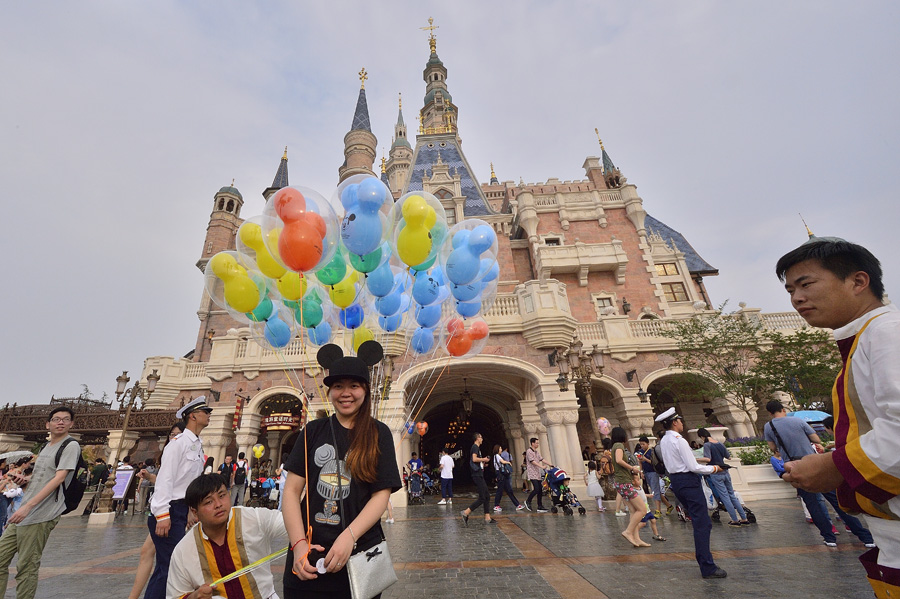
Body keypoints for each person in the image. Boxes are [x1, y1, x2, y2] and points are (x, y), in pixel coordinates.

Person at [282, 342, 401, 599]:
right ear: (330, 391)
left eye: (354, 386)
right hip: (308, 558)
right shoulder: (313, 431)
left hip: (360, 554)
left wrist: (350, 537)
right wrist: (298, 544)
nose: (345, 393)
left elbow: (381, 495)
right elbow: (291, 492)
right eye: (338, 386)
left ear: (366, 390)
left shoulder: (379, 433)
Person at [763, 400, 874, 548]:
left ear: (770, 413)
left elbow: (772, 447)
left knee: (813, 504)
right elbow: (816, 439)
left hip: (795, 467)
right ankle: (865, 537)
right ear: (783, 409)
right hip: (814, 463)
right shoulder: (797, 421)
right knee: (837, 501)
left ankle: (829, 538)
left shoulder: (768, 426)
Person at [0, 406, 80, 599]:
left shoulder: (70, 445)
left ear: (71, 423)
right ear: (48, 424)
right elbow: (41, 477)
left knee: (26, 566)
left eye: (65, 419)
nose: (60, 422)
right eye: (56, 419)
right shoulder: (47, 446)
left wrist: (28, 506)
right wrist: (25, 481)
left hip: (40, 514)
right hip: (23, 513)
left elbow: (59, 478)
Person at [166, 473, 287, 599]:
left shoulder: (253, 519)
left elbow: (293, 524)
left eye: (222, 495)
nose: (218, 504)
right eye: (209, 501)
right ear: (195, 512)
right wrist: (195, 596)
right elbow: (175, 595)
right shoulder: (184, 550)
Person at [145, 397, 213, 599]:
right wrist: (163, 514)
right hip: (169, 510)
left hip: (181, 510)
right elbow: (165, 480)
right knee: (171, 568)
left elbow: (190, 482)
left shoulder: (196, 444)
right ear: (193, 415)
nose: (209, 415)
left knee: (166, 567)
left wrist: (193, 510)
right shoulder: (178, 444)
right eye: (205, 411)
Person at [656, 408, 727, 579]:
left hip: (677, 482)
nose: (682, 423)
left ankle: (705, 561)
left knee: (698, 521)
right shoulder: (679, 440)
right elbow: (693, 467)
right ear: (674, 422)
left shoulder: (665, 440)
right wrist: (715, 468)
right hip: (688, 481)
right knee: (702, 524)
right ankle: (707, 566)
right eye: (679, 420)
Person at [128, 421, 185, 599]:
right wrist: (149, 476)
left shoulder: (187, 453)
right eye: (172, 434)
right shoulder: (168, 453)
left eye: (178, 434)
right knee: (148, 552)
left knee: (167, 562)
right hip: (162, 510)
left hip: (173, 510)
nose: (174, 437)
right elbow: (164, 482)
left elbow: (180, 486)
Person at [698, 428, 749, 527]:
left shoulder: (707, 445)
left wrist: (696, 459)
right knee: (732, 495)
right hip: (725, 471)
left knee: (725, 497)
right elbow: (728, 457)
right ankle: (744, 518)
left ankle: (734, 520)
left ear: (702, 437)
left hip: (716, 472)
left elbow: (708, 459)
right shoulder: (720, 443)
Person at [610, 427, 650, 547]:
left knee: (633, 510)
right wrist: (632, 468)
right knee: (642, 509)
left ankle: (636, 538)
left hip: (621, 482)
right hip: (624, 482)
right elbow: (618, 460)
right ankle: (628, 532)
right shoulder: (619, 446)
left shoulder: (614, 446)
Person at [461, 433, 495, 525]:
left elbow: (476, 461)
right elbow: (474, 459)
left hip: (479, 473)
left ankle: (487, 517)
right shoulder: (475, 447)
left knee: (487, 495)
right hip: (476, 475)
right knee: (482, 497)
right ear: (477, 438)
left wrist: (483, 463)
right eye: (481, 437)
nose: (482, 439)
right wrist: (484, 459)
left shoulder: (477, 448)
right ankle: (466, 512)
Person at [635, 436, 671, 518]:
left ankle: (658, 510)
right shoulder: (640, 452)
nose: (642, 446)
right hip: (646, 472)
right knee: (656, 490)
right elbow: (640, 462)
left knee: (655, 491)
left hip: (653, 472)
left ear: (648, 443)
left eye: (643, 444)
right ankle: (668, 505)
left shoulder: (651, 452)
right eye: (640, 444)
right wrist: (641, 472)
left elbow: (653, 462)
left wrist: (645, 459)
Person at [492, 444, 524, 512]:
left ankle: (517, 504)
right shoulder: (497, 456)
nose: (501, 450)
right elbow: (502, 462)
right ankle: (496, 505)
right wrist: (508, 462)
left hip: (502, 474)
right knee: (500, 490)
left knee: (509, 490)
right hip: (501, 474)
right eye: (500, 448)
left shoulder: (498, 456)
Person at [524, 438, 551, 513]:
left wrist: (550, 464)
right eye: (536, 443)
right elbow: (532, 461)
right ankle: (528, 501)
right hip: (532, 473)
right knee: (536, 489)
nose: (537, 444)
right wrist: (541, 466)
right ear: (532, 443)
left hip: (537, 473)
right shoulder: (529, 451)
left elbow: (542, 459)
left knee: (539, 490)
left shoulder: (536, 452)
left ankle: (540, 506)